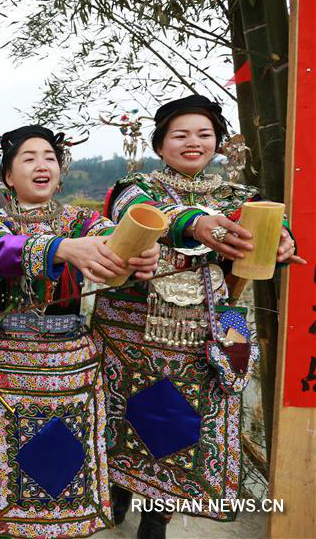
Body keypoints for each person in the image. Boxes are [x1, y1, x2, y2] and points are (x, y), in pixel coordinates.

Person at [91, 95, 302, 539]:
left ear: (219, 143)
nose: (193, 143)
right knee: (123, 418)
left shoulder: (238, 196)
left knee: (181, 422)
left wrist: (283, 243)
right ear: (160, 144)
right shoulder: (134, 188)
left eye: (204, 134)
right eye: (181, 134)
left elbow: (267, 228)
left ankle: (157, 516)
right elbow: (140, 216)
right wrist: (196, 224)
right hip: (132, 330)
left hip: (201, 331)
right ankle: (116, 490)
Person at [0, 125, 159, 537]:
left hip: (71, 363)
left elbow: (113, 240)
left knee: (63, 465)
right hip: (7, 365)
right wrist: (61, 249)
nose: (42, 165)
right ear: (7, 176)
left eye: (50, 158)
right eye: (29, 158)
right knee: (10, 467)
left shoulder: (82, 219)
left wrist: (138, 254)